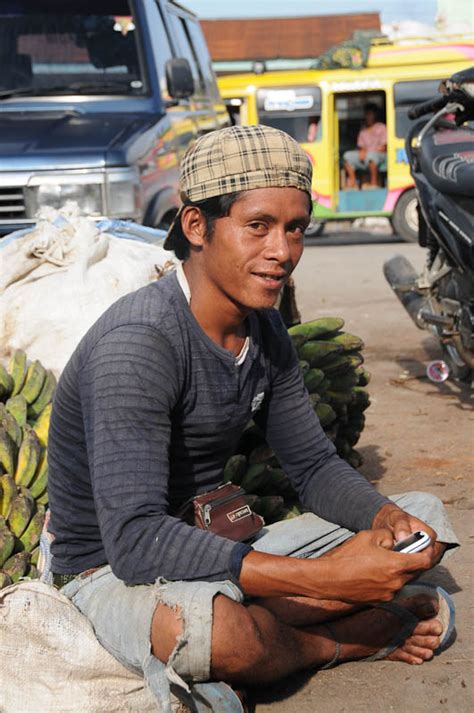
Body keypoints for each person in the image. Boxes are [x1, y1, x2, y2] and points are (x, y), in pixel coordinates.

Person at [47, 125, 458, 713]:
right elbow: (135, 542)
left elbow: (315, 465)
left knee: (423, 520)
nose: (282, 252)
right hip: (113, 572)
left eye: (296, 229)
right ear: (196, 226)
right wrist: (324, 582)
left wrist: (384, 517)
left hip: (211, 547)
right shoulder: (139, 345)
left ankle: (272, 643)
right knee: (220, 633)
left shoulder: (262, 329)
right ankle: (339, 639)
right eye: (258, 226)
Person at [343, 102, 387, 188]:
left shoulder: (381, 127)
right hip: (366, 155)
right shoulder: (363, 129)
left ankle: (374, 183)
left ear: (375, 115)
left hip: (380, 155)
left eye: (370, 114)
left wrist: (367, 152)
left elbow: (383, 147)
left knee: (371, 157)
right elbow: (361, 146)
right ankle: (353, 181)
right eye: (367, 114)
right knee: (347, 156)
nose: (368, 116)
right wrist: (362, 152)